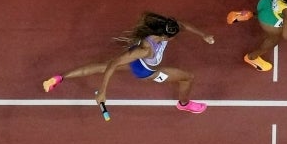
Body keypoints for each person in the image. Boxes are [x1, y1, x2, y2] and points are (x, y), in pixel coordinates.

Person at [42, 12, 214, 114]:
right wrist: (102, 92)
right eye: (173, 36)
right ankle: (183, 104)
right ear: (164, 37)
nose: (176, 36)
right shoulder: (145, 49)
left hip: (138, 62)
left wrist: (203, 34)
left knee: (100, 66)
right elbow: (113, 65)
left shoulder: (165, 27)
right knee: (187, 78)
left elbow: (182, 25)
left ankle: (59, 78)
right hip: (146, 72)